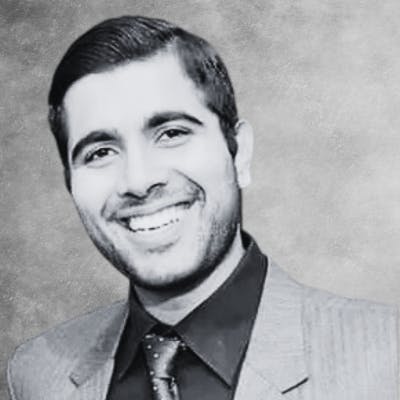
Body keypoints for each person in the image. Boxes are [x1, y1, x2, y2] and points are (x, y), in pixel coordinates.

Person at [7, 15, 398, 400]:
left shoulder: (387, 357)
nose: (139, 181)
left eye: (171, 133)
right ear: (70, 183)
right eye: (100, 152)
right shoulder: (38, 376)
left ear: (239, 153)